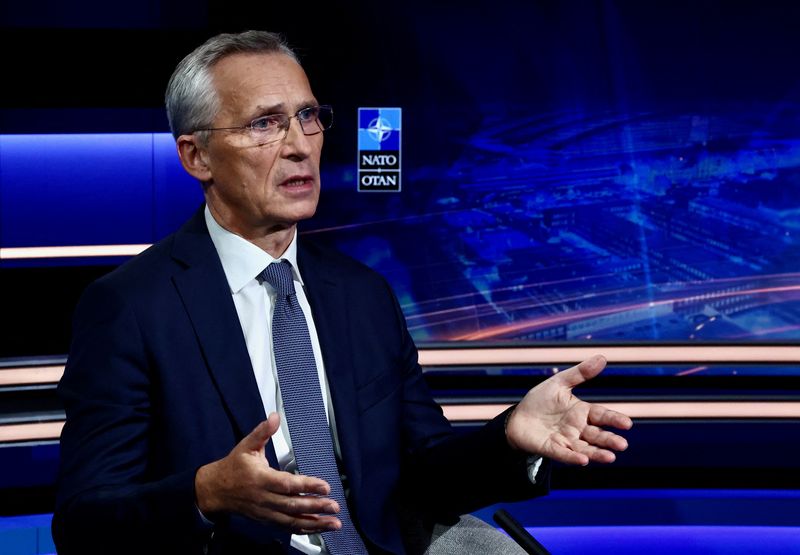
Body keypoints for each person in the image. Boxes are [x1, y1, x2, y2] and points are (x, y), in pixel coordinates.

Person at [53, 30, 633, 555]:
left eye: (309, 116)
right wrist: (207, 492)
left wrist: (509, 438)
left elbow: (424, 472)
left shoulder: (363, 294)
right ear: (195, 155)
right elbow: (84, 522)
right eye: (265, 123)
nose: (301, 144)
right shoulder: (130, 307)